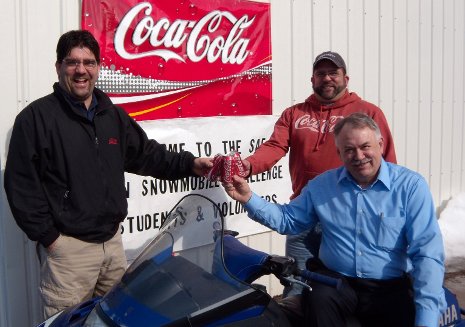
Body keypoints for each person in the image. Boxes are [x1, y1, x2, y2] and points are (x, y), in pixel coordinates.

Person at [3, 30, 212, 319]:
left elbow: (147, 155)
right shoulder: (36, 119)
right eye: (72, 62)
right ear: (58, 67)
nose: (81, 71)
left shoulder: (111, 115)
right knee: (70, 324)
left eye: (89, 62)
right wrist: (51, 238)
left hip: (112, 246)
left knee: (117, 319)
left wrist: (190, 164)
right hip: (69, 254)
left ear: (98, 67)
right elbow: (21, 185)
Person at [223, 113, 445, 327]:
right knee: (318, 297)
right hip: (336, 283)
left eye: (365, 146)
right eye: (349, 150)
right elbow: (288, 220)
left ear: (381, 144)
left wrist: (427, 316)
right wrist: (248, 198)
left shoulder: (411, 187)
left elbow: (427, 254)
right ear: (339, 153)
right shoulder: (322, 186)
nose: (358, 156)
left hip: (388, 287)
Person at [242, 51, 397, 297]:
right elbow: (274, 147)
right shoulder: (294, 113)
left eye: (333, 73)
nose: (327, 78)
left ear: (346, 78)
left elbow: (387, 162)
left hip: (347, 218)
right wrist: (248, 165)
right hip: (302, 215)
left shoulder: (368, 112)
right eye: (321, 73)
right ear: (312, 80)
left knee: (344, 290)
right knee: (296, 286)